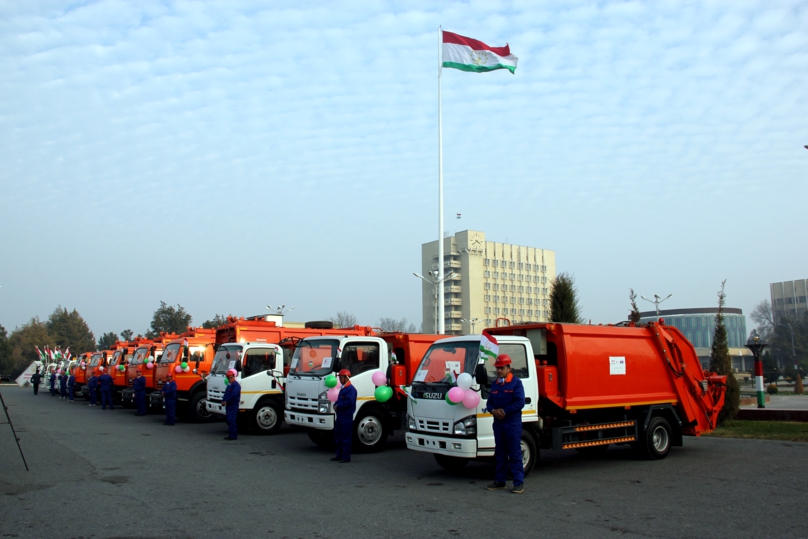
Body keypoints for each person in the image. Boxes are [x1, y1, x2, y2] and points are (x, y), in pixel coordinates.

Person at [484, 354, 526, 494]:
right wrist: (493, 411)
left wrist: (505, 411)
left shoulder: (516, 383)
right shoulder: (496, 384)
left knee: (514, 453)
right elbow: (489, 403)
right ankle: (500, 481)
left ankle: (518, 483)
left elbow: (520, 402)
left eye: (501, 368)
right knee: (500, 453)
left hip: (512, 423)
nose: (499, 370)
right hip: (498, 423)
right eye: (497, 368)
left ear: (509, 368)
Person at [331, 368, 357, 464]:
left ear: (346, 378)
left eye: (341, 378)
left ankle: (346, 457)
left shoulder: (351, 390)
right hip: (340, 416)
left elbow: (349, 402)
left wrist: (338, 406)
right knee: (338, 437)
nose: (340, 380)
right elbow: (339, 400)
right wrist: (335, 404)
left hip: (346, 417)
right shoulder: (344, 389)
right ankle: (339, 455)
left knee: (346, 437)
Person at [221, 369, 241, 440]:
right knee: (229, 419)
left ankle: (233, 435)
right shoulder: (230, 385)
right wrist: (223, 400)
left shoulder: (236, 385)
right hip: (229, 405)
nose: (230, 379)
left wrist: (226, 401)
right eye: (229, 378)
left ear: (234, 377)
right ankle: (231, 434)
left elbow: (234, 395)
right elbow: (226, 394)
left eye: (231, 377)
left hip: (233, 405)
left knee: (231, 420)